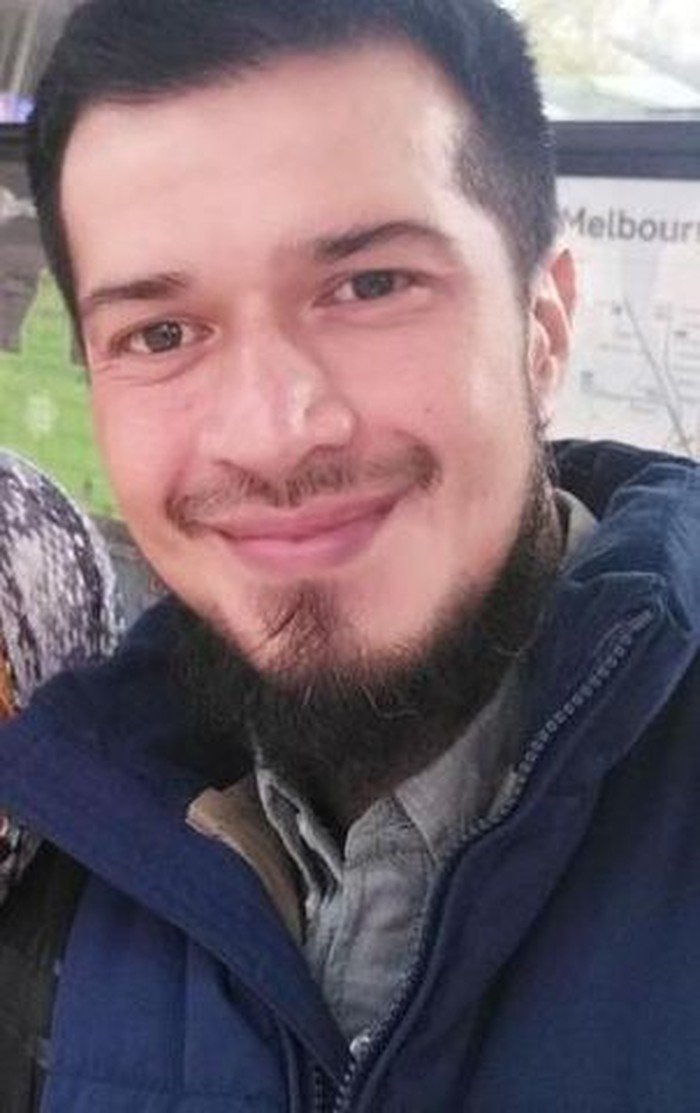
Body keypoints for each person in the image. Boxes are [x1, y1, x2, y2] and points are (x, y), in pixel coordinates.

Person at [1, 0, 698, 1109]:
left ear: (544, 327)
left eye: (371, 285)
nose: (272, 433)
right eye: (161, 334)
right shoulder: (65, 839)